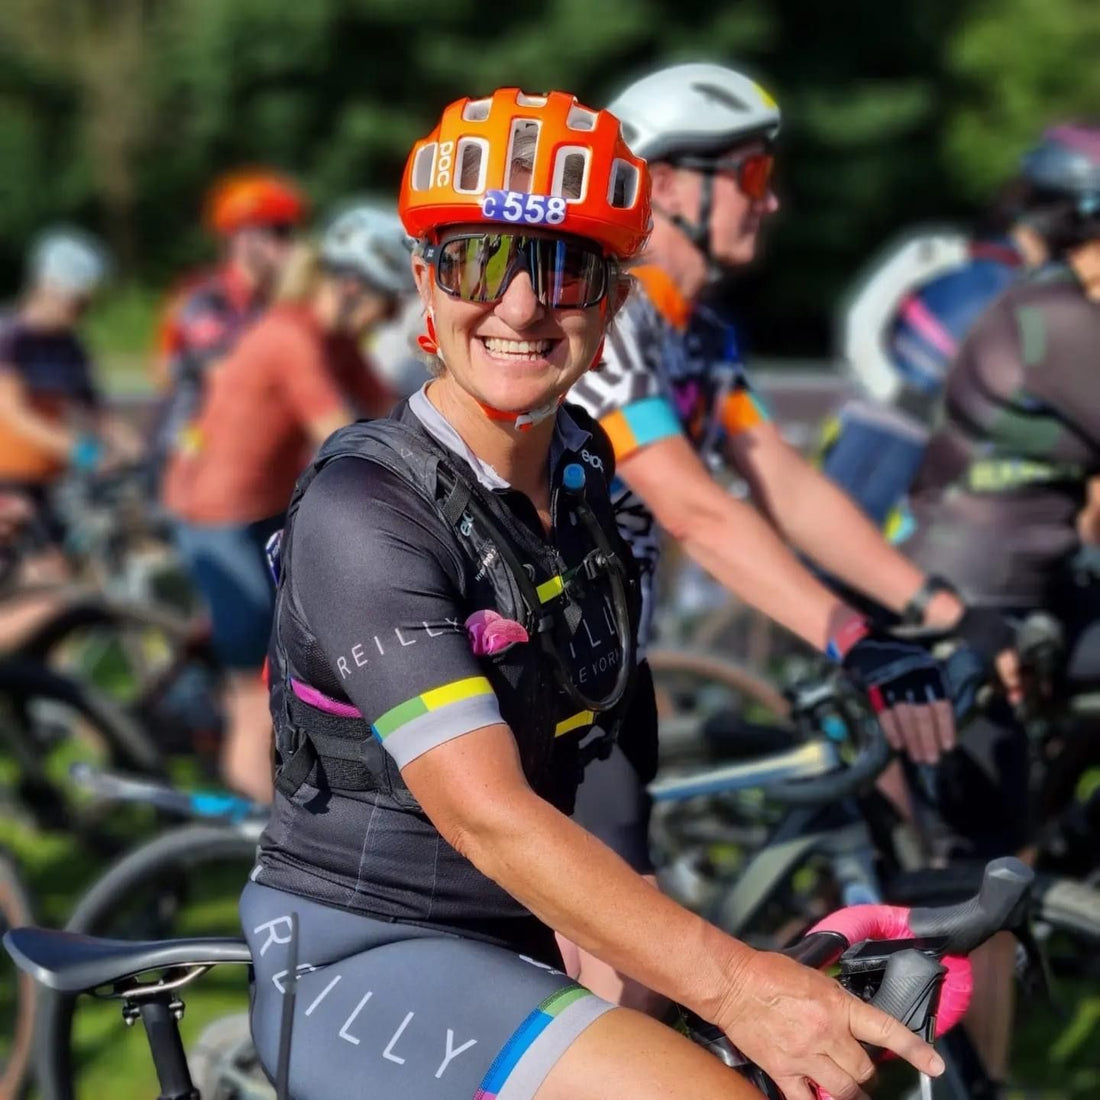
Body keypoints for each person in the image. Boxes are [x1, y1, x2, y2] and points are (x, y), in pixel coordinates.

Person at [239, 86, 945, 1100]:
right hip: (364, 948)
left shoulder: (579, 476)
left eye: (563, 268)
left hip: (512, 935)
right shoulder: (365, 507)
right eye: (477, 259)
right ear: (423, 286)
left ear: (610, 304)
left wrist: (782, 963)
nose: (521, 304)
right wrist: (739, 982)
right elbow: (485, 813)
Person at [559, 61, 1016, 1008]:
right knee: (624, 998)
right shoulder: (614, 315)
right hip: (541, 681)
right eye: (754, 178)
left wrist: (936, 609)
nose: (773, 205)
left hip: (614, 673)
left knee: (633, 999)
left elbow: (786, 486)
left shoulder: (700, 331)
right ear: (672, 183)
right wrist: (852, 637)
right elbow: (695, 507)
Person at [163, 203, 404, 802]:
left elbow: (393, 411)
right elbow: (341, 432)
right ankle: (253, 841)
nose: (392, 319)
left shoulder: (337, 338)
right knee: (258, 687)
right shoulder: (291, 337)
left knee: (294, 651)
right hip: (217, 518)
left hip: (261, 508)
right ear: (351, 287)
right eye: (389, 303)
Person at [820, 134, 1066, 538]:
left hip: (946, 452)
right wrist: (895, 391)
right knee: (830, 554)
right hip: (878, 421)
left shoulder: (1044, 296)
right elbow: (862, 322)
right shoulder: (941, 252)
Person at [0, 228, 142, 645]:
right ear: (49, 286)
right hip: (7, 481)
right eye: (77, 300)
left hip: (47, 484)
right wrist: (81, 450)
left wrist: (135, 447)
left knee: (54, 588)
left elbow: (97, 411)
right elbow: (13, 413)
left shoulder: (69, 345)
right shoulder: (11, 336)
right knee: (43, 587)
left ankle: (42, 689)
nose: (83, 311)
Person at [150, 169, 308, 478]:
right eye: (279, 232)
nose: (290, 245)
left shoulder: (274, 305)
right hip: (195, 457)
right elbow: (228, 378)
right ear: (244, 238)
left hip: (253, 459)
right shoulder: (204, 299)